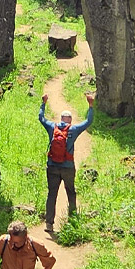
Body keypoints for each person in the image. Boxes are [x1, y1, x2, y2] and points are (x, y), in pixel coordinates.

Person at [39, 91, 95, 231]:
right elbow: (88, 122)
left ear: (61, 119)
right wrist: (91, 105)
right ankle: (72, 221)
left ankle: (49, 224)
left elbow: (41, 118)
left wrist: (43, 103)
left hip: (52, 166)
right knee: (71, 192)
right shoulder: (74, 129)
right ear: (69, 120)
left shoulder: (53, 127)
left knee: (52, 193)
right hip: (68, 167)